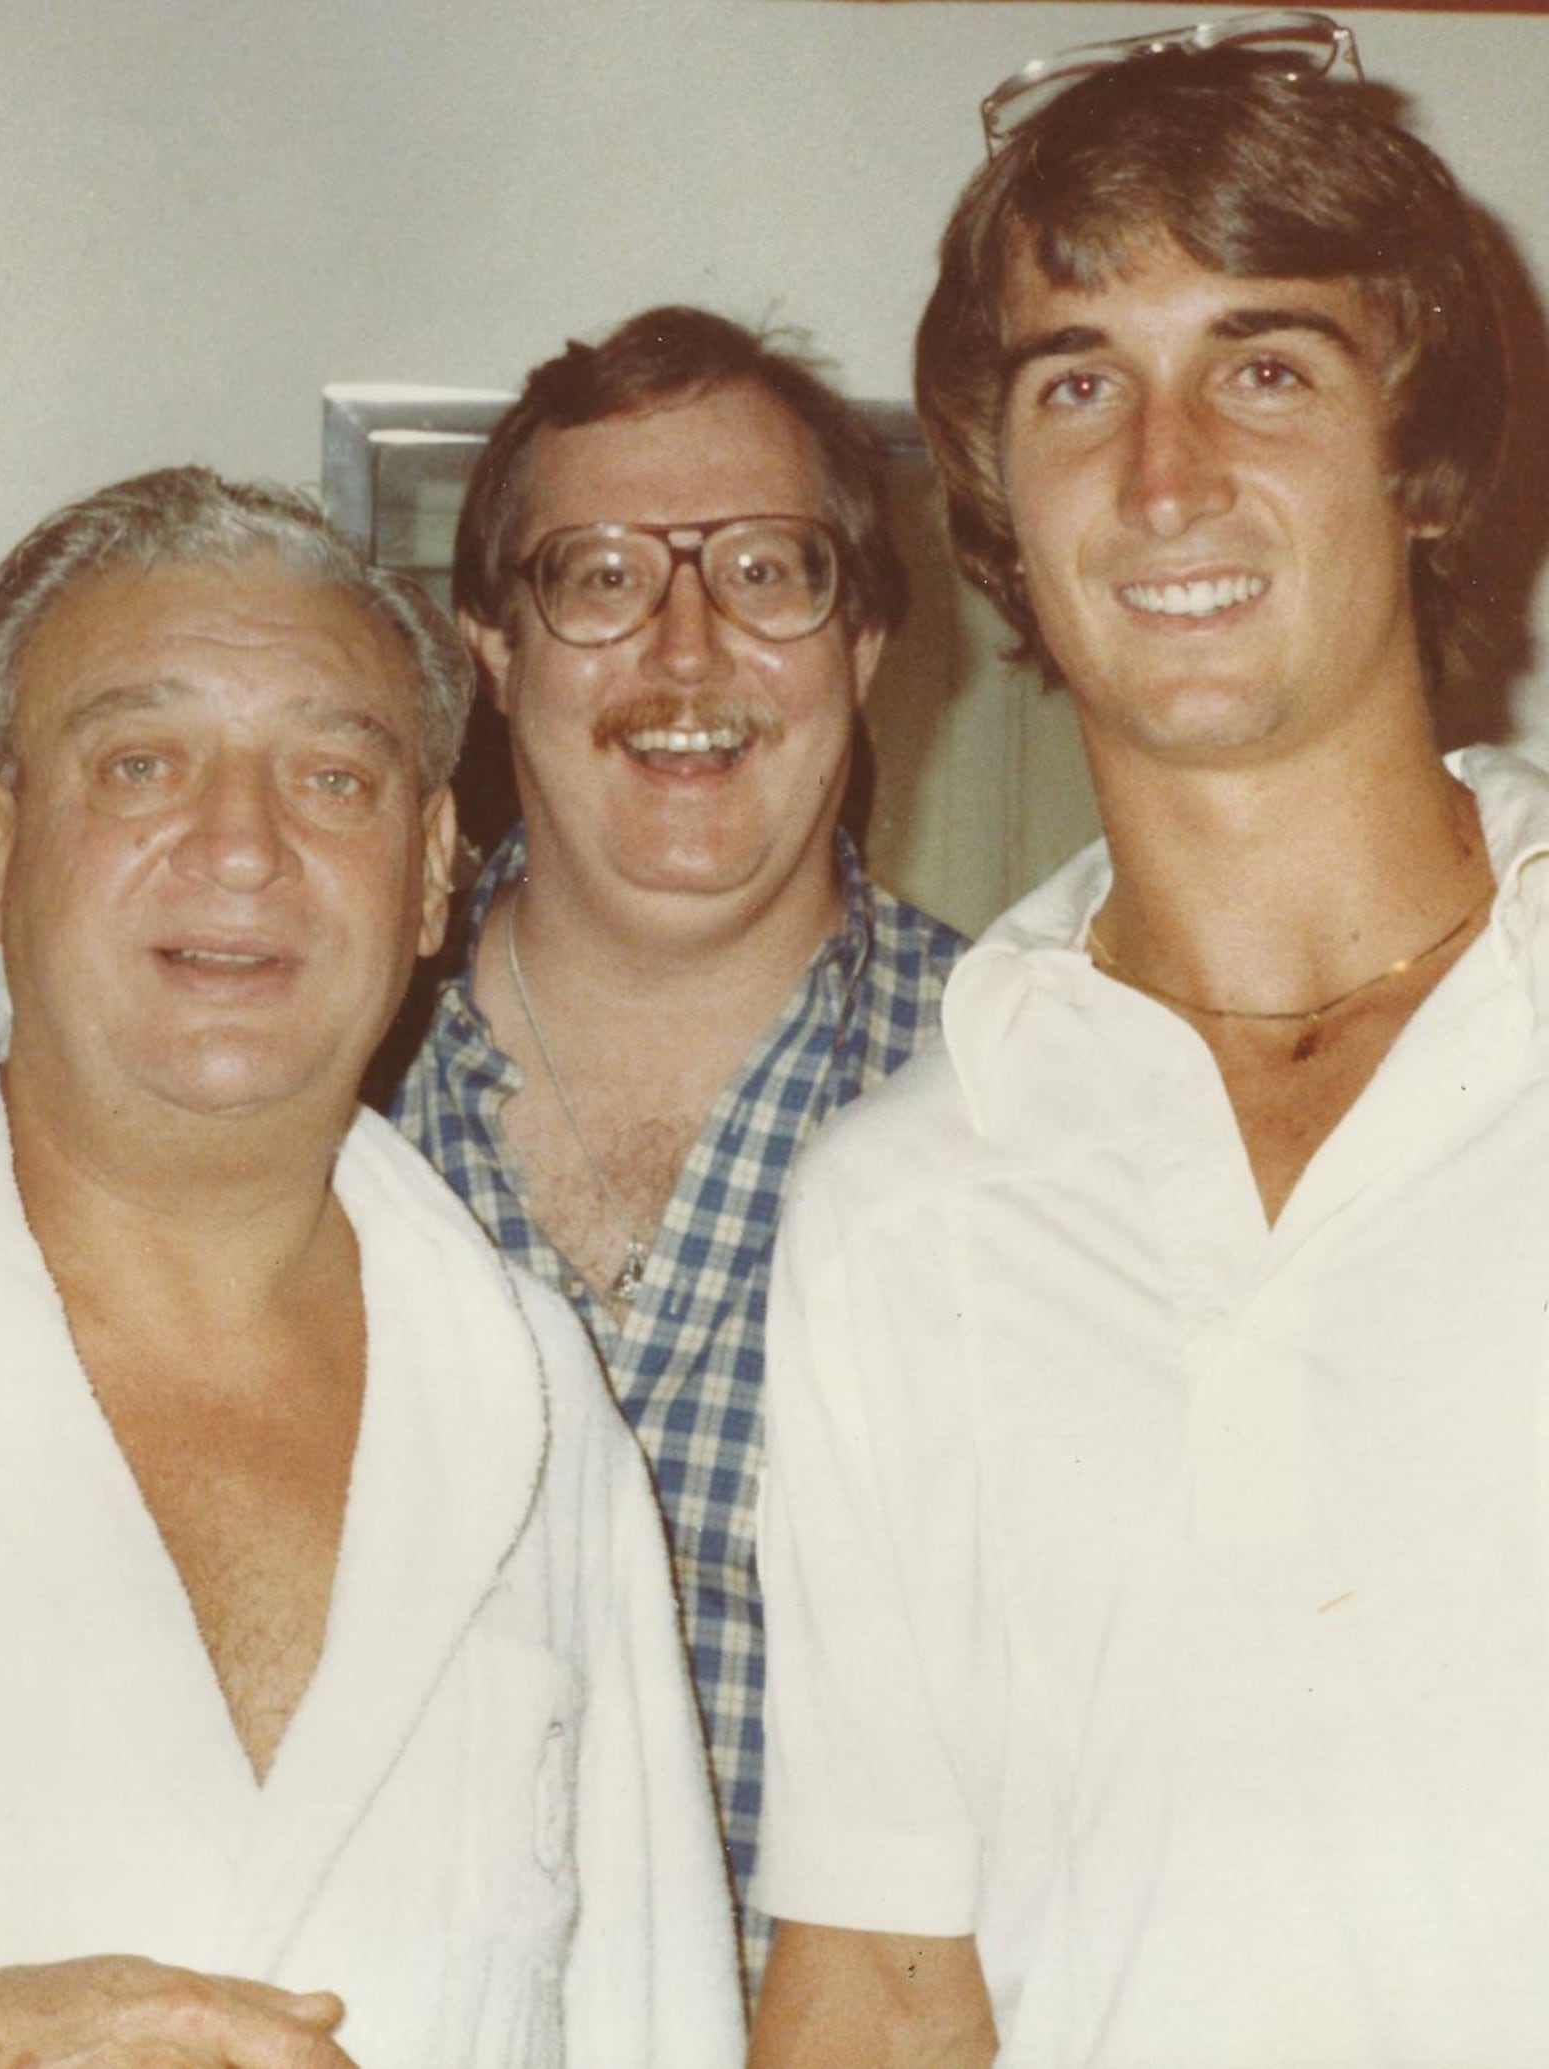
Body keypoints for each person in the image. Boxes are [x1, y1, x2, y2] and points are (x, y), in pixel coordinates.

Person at [750, 17, 1549, 2068]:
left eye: (1262, 366)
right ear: (997, 494)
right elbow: (875, 1983)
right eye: (1076, 380)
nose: (1163, 474)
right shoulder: (894, 1212)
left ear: (1420, 457)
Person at [0, 466, 743, 2069]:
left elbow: (653, 2031)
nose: (241, 848)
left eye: (332, 777)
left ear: (438, 865)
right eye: (144, 761)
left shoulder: (526, 1399)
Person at [389, 304, 967, 1985]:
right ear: (496, 651)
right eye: (602, 576)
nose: (689, 650)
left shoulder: (1045, 1104)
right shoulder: (306, 1094)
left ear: (863, 646)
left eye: (771, 573)